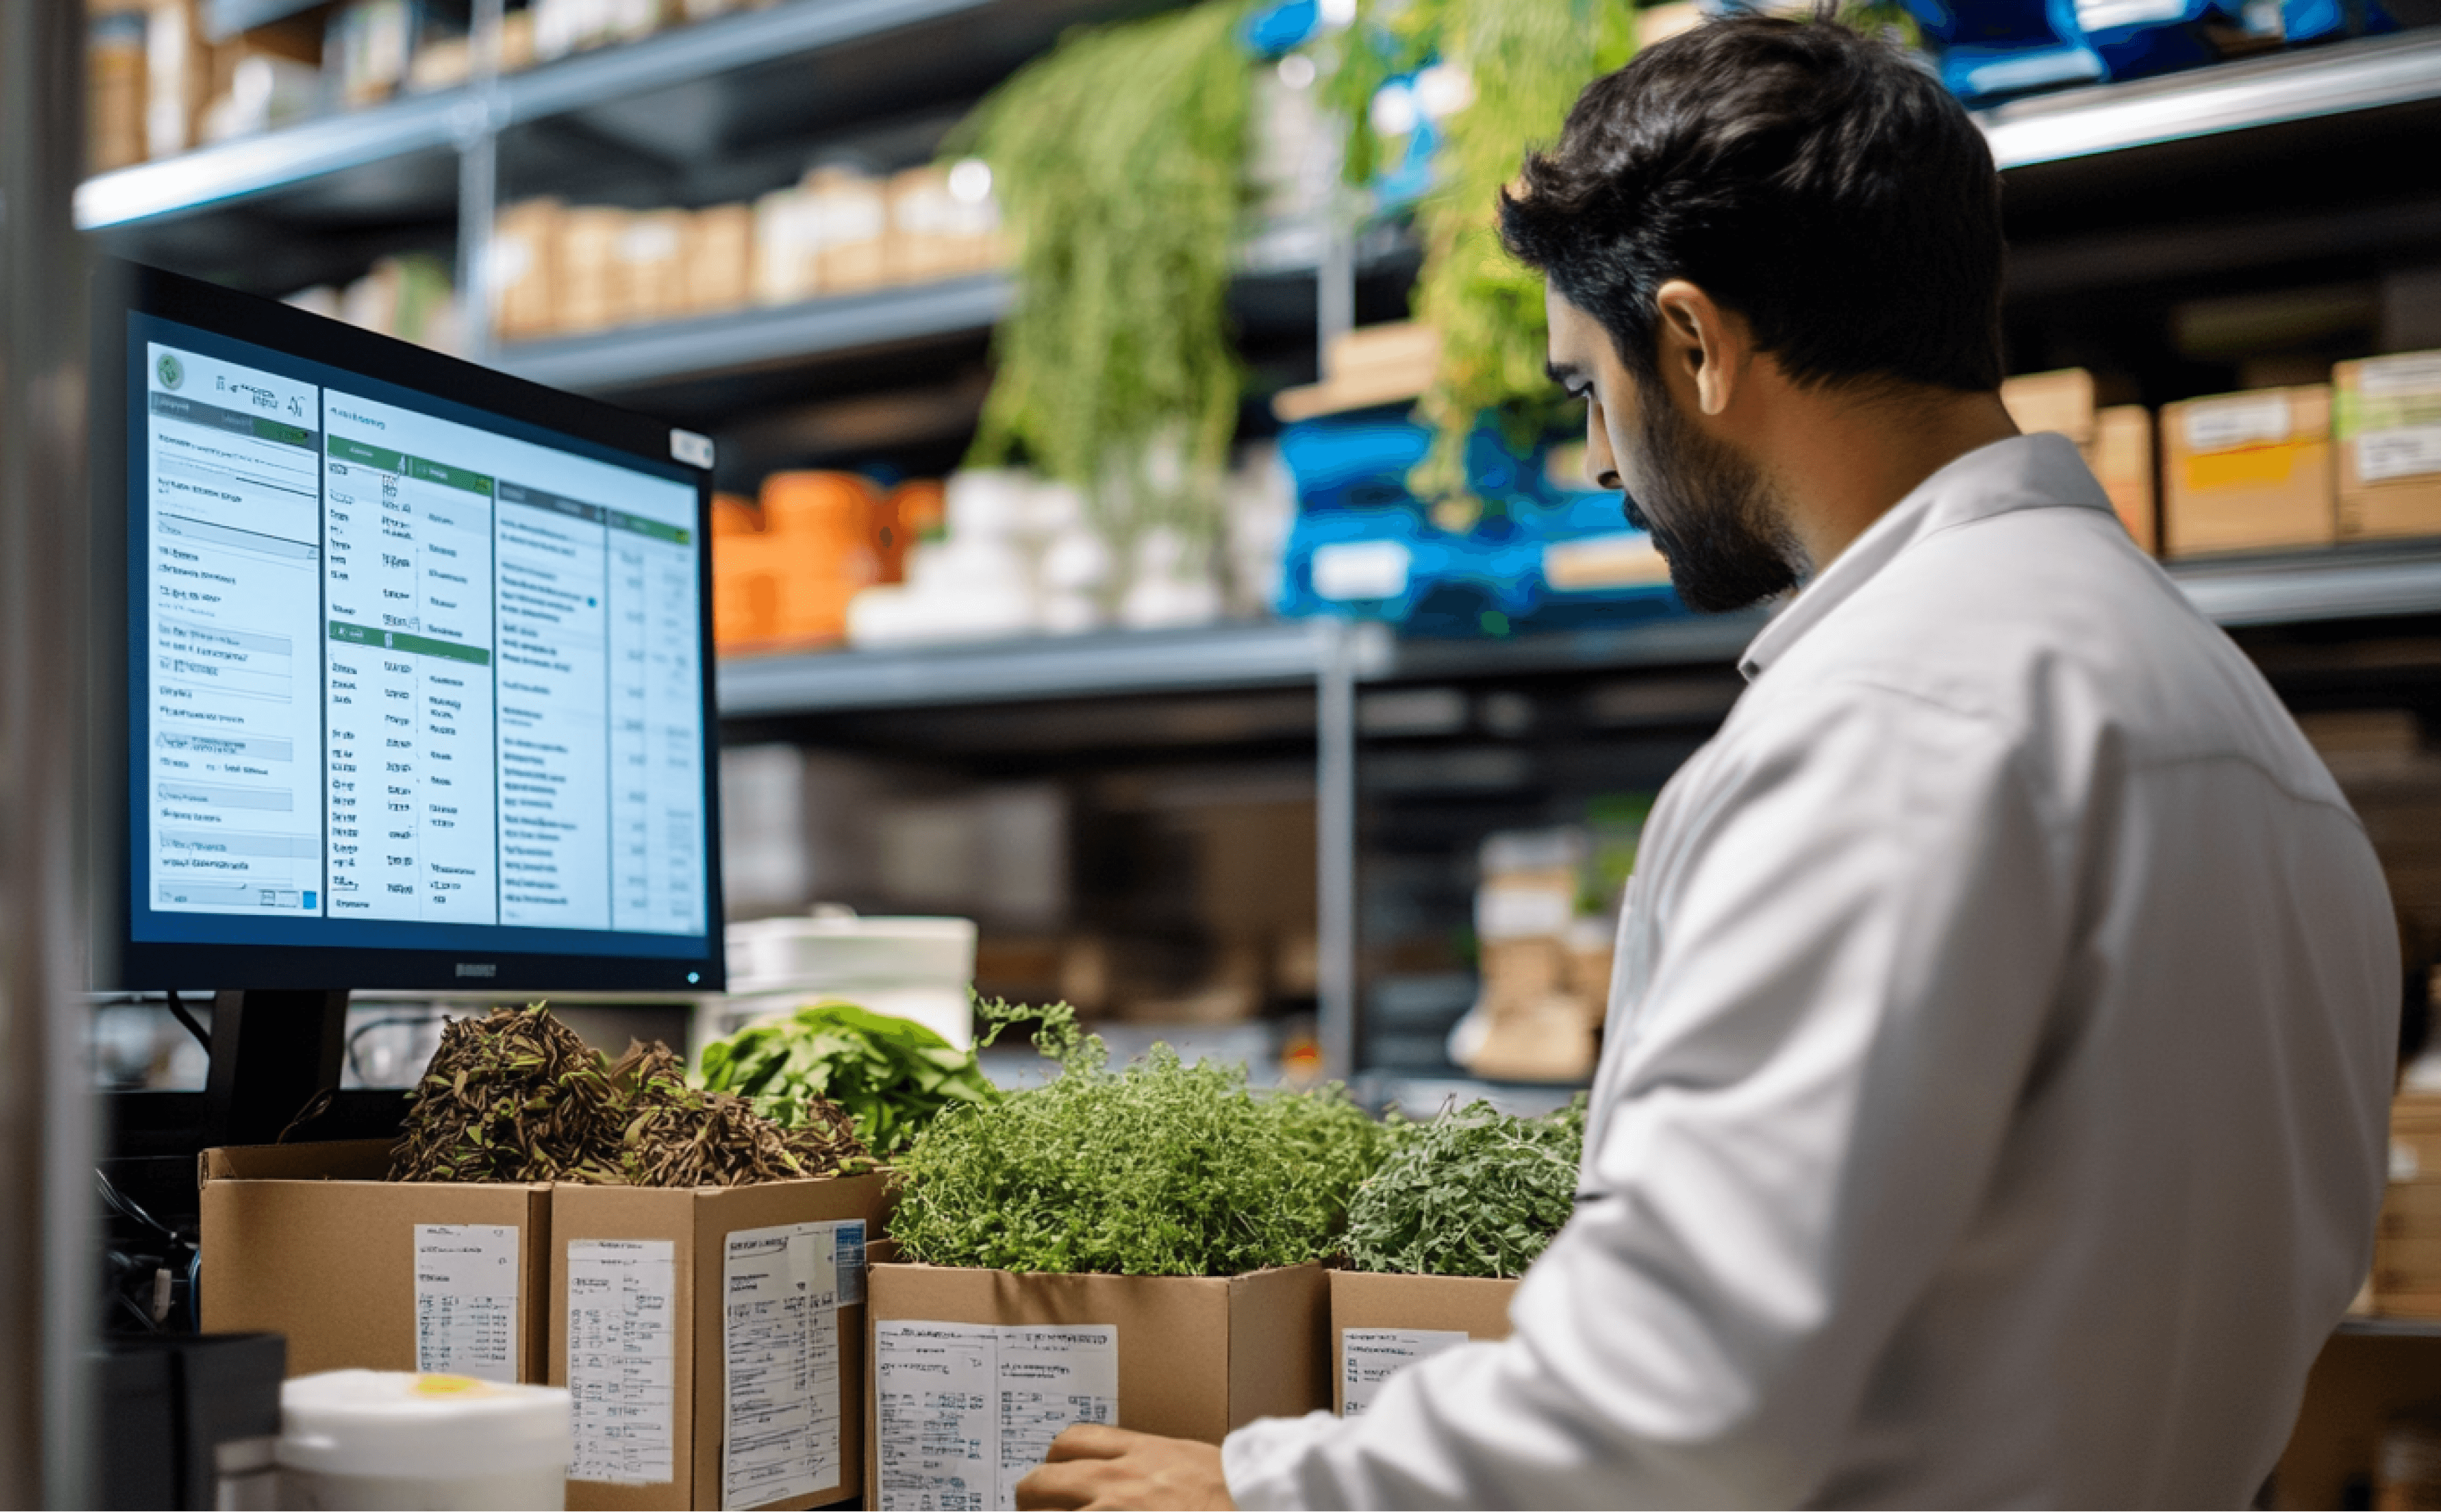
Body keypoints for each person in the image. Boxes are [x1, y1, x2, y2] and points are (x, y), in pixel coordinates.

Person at [1012, 13, 2398, 1511]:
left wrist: (1264, 1491)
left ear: (1694, 342)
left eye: (1585, 392)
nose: (1601, 462)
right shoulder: (2237, 723)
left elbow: (1673, 1393)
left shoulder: (1891, 723)